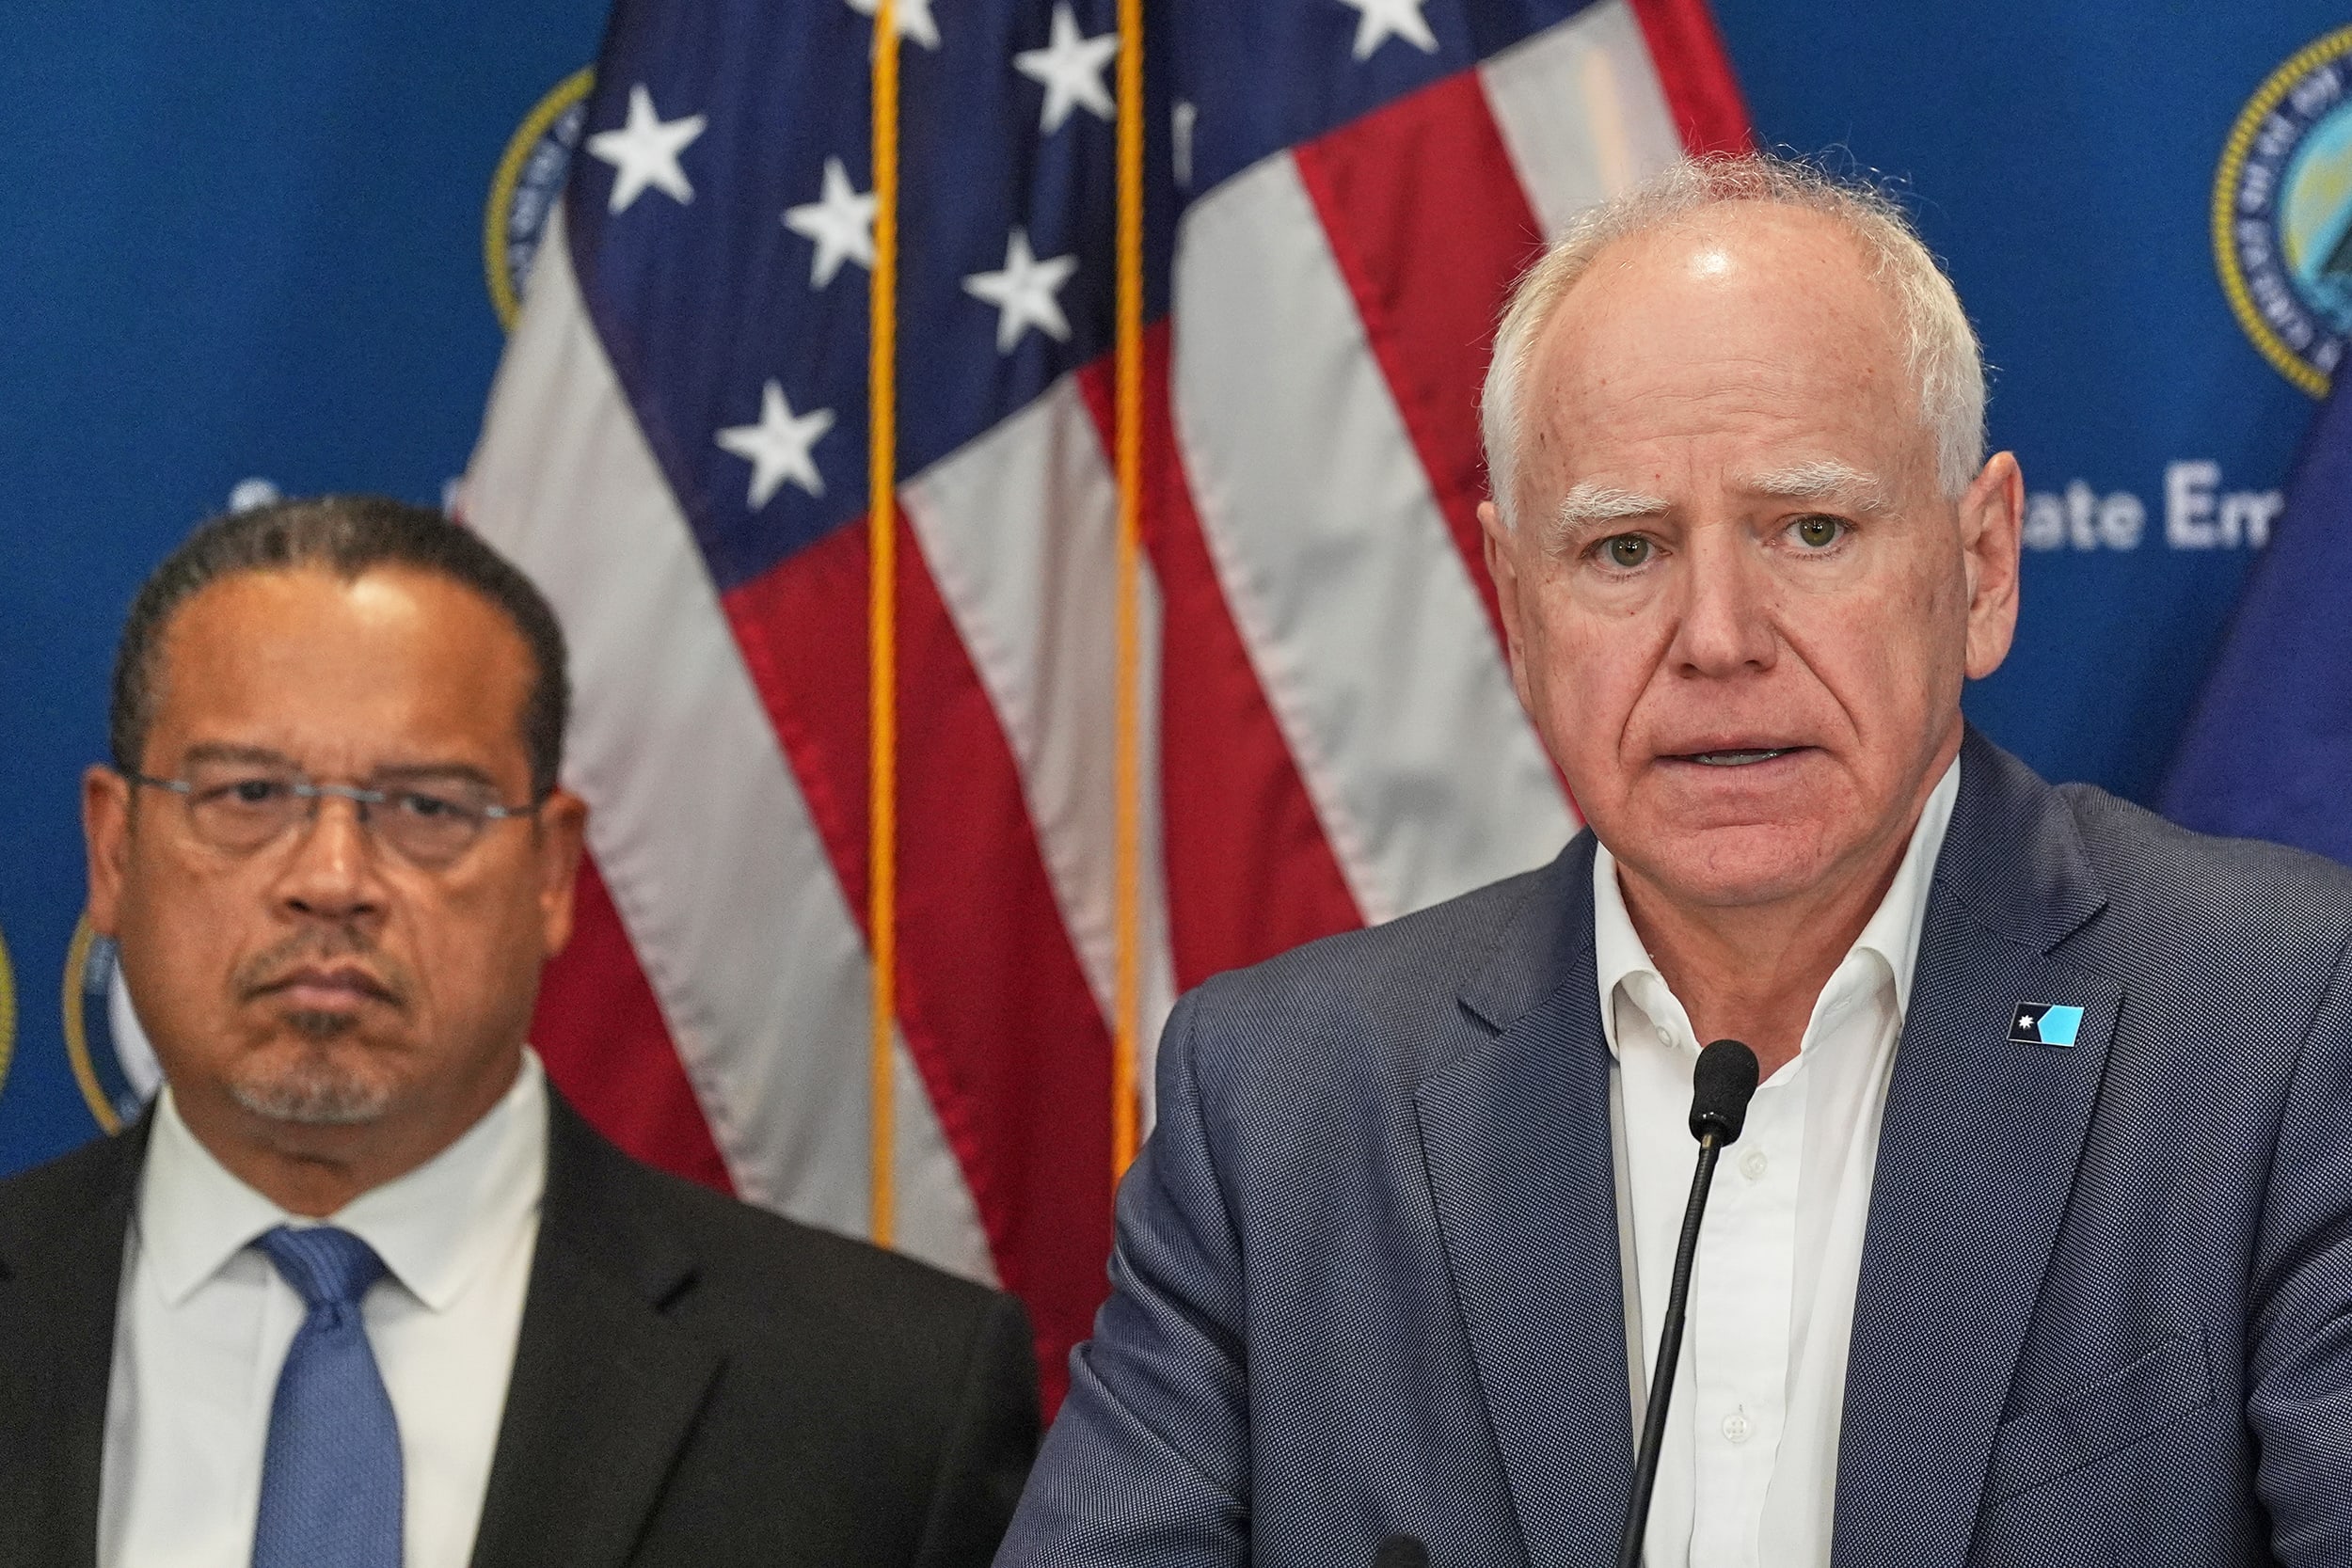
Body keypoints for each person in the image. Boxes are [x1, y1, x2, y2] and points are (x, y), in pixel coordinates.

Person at [997, 155, 2352, 1567]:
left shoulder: (2282, 1028)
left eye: (1811, 528)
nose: (1718, 634)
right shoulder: (1283, 1105)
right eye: (1625, 548)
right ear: (1519, 615)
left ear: (1984, 565)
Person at [0, 497, 1038, 1568]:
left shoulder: (887, 1401)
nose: (332, 878)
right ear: (115, 850)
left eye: (429, 807)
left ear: (551, 870)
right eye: (250, 792)